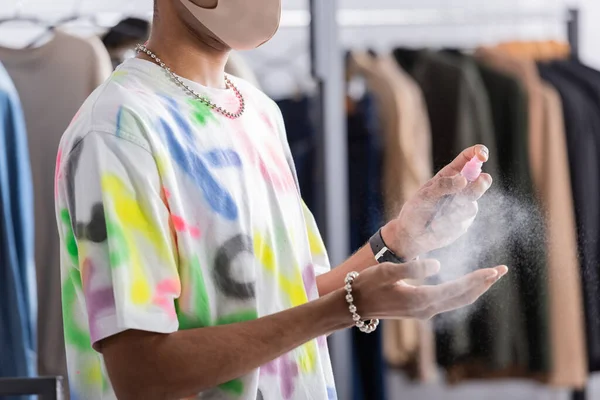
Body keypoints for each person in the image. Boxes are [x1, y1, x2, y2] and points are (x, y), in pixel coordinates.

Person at [53, 0, 507, 399]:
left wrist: (399, 240)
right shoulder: (117, 129)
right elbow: (142, 375)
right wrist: (347, 307)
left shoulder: (257, 110)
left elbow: (291, 300)